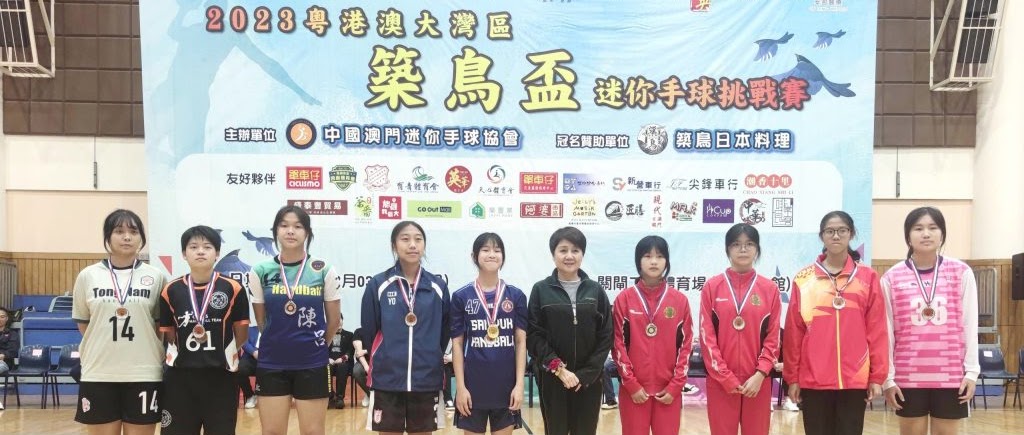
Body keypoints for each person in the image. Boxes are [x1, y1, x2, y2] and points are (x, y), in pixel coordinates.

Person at [784, 211, 889, 435]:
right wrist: (792, 378)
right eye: (830, 231)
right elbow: (794, 333)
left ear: (851, 234)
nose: (836, 236)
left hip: (855, 379)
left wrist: (877, 376)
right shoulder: (804, 279)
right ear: (822, 236)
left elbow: (877, 330)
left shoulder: (867, 278)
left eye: (842, 230)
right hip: (813, 379)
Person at [882, 207, 979, 434]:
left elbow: (970, 325)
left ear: (942, 234)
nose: (926, 234)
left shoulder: (961, 272)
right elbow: (886, 331)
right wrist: (888, 378)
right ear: (908, 236)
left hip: (952, 376)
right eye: (918, 228)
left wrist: (971, 372)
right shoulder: (891, 277)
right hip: (907, 376)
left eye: (932, 228)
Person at [71, 209, 168, 435]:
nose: (127, 237)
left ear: (141, 238)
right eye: (119, 231)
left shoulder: (156, 277)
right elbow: (84, 324)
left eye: (133, 232)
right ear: (107, 236)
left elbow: (158, 327)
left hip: (143, 373)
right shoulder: (88, 275)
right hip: (99, 372)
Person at [247, 205, 342, 435]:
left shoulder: (323, 270)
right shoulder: (260, 270)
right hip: (272, 362)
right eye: (284, 225)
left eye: (298, 226)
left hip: (312, 362)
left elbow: (333, 321)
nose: (290, 231)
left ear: (307, 232)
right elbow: (261, 320)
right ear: (275, 231)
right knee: (272, 432)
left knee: (313, 432)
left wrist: (318, 345)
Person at [361, 220, 451, 434]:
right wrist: (386, 356)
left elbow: (444, 331)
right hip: (388, 378)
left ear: (424, 245)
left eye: (418, 239)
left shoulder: (437, 287)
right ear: (394, 245)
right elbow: (369, 330)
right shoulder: (378, 284)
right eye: (405, 239)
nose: (412, 244)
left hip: (426, 378)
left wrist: (429, 354)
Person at [159, 225, 250, 434]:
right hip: (180, 379)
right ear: (184, 254)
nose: (200, 251)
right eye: (193, 247)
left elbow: (242, 334)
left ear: (217, 253)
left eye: (207, 247)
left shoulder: (233, 288)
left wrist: (222, 355)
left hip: (221, 378)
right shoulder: (170, 290)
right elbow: (169, 334)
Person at [527, 226, 612, 435]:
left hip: (588, 382)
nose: (569, 256)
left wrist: (586, 374)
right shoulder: (540, 290)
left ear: (582, 254)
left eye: (575, 250)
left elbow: (606, 335)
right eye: (563, 250)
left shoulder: (595, 290)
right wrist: (558, 368)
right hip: (553, 379)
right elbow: (534, 335)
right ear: (553, 254)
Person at [699, 224, 781, 435]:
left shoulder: (769, 289)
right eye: (736, 244)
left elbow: (773, 337)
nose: (743, 249)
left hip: (758, 382)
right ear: (727, 249)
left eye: (749, 244)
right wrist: (725, 377)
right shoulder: (712, 287)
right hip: (720, 382)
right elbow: (707, 338)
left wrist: (761, 374)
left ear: (757, 249)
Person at [611, 235, 693, 435]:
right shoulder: (624, 299)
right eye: (647, 256)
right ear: (638, 260)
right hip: (633, 392)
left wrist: (675, 386)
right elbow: (617, 343)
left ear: (667, 261)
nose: (654, 261)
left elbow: (686, 345)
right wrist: (631, 384)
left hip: (668, 393)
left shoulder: (679, 300)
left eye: (660, 256)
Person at [451, 232, 528, 435]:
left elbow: (521, 342)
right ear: (474, 256)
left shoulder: (516, 296)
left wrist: (519, 384)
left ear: (503, 256)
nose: (492, 254)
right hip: (472, 387)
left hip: (506, 387)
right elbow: (457, 344)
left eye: (497, 250)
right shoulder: (461, 296)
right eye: (485, 250)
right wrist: (460, 387)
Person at [328, 314, 355, 409]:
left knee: (342, 367)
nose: (338, 323)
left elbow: (350, 351)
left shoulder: (349, 335)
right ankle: (330, 395)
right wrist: (327, 358)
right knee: (326, 367)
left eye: (340, 320)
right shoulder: (327, 335)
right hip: (330, 362)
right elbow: (323, 349)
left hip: (344, 363)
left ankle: (340, 398)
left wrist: (342, 359)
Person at [236, 325, 261, 409]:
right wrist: (253, 352)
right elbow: (244, 342)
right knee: (239, 370)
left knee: (266, 369)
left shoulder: (273, 329)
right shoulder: (250, 329)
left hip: (267, 358)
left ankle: (259, 394)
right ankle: (250, 395)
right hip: (250, 356)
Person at [0, 306, 19, 410]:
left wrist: (3, 355)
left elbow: (13, 351)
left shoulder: (13, 334)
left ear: (7, 318)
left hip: (5, 363)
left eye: (2, 316)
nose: (0, 319)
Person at [352, 326, 370, 407]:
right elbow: (359, 353)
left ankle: (375, 395)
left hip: (378, 360)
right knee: (357, 371)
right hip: (363, 361)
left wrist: (366, 351)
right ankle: (369, 393)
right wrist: (366, 367)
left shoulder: (380, 331)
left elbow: (382, 348)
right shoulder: (358, 331)